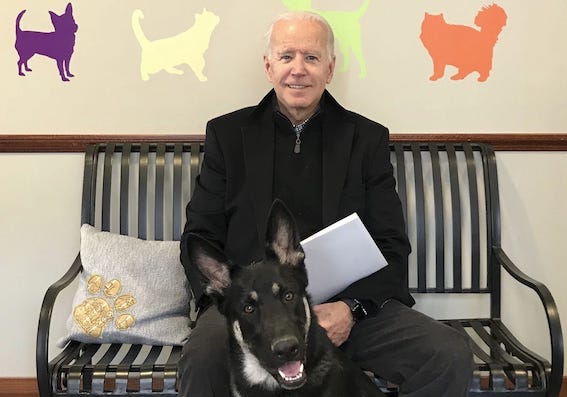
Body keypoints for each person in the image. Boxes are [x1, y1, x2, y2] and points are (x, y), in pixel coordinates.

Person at [179, 11, 473, 397]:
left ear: (330, 68)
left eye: (311, 58)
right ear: (268, 67)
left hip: (349, 308)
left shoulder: (366, 140)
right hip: (252, 311)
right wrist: (234, 304)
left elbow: (392, 245)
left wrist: (352, 308)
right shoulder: (227, 135)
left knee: (447, 353)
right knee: (204, 357)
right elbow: (199, 236)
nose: (297, 70)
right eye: (286, 57)